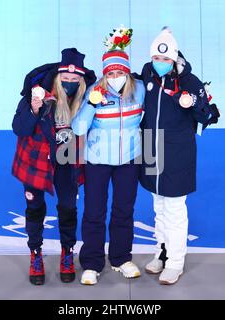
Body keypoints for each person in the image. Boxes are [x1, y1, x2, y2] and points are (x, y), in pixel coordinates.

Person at [138, 27, 220, 285]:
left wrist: (193, 103)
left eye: (165, 59)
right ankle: (161, 252)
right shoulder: (147, 73)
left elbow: (206, 116)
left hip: (178, 151)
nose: (160, 63)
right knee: (158, 206)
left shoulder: (190, 82)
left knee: (174, 209)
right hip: (151, 145)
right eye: (156, 58)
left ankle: (175, 262)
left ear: (174, 59)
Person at [12, 48, 96, 285]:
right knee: (35, 208)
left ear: (81, 80)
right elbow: (20, 128)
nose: (69, 83)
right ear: (58, 77)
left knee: (68, 208)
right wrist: (34, 109)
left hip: (67, 160)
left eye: (74, 79)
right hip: (36, 161)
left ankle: (67, 253)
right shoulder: (37, 95)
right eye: (65, 79)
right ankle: (35, 254)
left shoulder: (86, 100)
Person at [71, 27, 146, 285]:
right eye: (110, 73)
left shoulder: (140, 90)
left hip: (128, 160)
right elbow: (78, 128)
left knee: (124, 210)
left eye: (119, 72)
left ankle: (121, 258)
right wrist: (91, 104)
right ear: (105, 74)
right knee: (94, 211)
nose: (115, 77)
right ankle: (91, 263)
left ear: (126, 71)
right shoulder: (96, 91)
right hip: (98, 161)